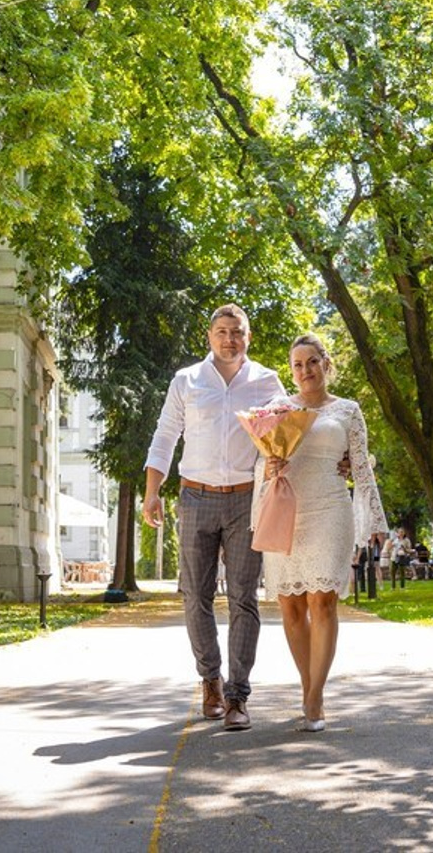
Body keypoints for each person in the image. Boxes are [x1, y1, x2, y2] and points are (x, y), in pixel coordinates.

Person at [143, 304, 286, 732]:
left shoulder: (267, 382)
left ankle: (239, 695)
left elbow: (288, 435)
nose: (229, 339)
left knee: (244, 598)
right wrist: (153, 492)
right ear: (209, 336)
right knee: (195, 595)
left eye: (237, 332)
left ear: (249, 337)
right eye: (222, 331)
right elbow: (165, 435)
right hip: (195, 497)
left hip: (247, 500)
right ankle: (211, 682)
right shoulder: (186, 380)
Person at [256, 334, 388, 732]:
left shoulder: (348, 411)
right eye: (297, 365)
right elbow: (258, 464)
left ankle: (315, 699)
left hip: (331, 507)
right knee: (291, 607)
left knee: (323, 602)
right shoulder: (275, 410)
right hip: (286, 508)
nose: (305, 371)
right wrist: (266, 470)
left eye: (312, 362)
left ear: (326, 364)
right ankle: (306, 686)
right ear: (291, 371)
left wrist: (375, 519)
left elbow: (362, 467)